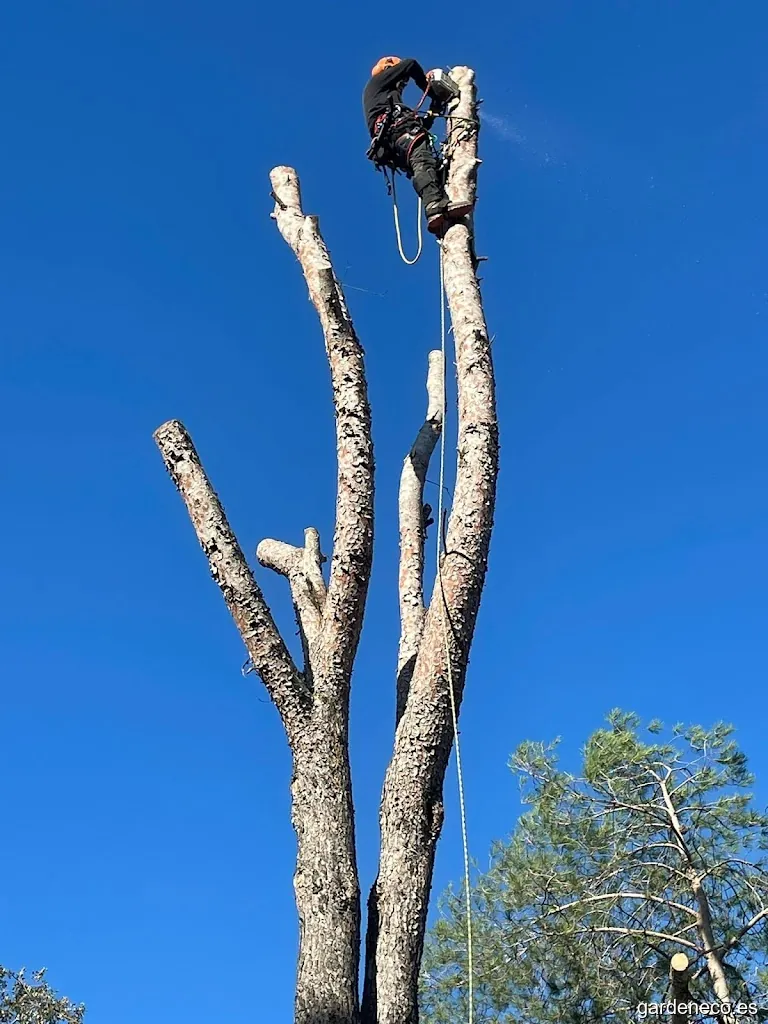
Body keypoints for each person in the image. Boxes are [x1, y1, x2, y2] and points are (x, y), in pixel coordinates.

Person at [363, 56, 473, 234]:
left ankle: (441, 206)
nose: (404, 82)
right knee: (422, 161)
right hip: (397, 132)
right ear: (389, 69)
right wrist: (430, 90)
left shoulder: (385, 96)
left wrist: (433, 110)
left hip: (394, 141)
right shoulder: (378, 82)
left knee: (430, 167)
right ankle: (434, 206)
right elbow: (411, 64)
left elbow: (419, 125)